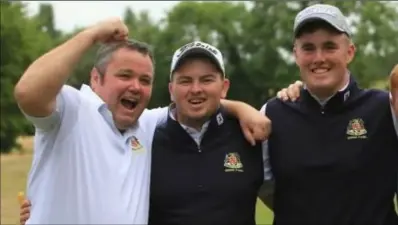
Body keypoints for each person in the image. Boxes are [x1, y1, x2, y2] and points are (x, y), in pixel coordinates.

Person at [14, 18, 270, 224]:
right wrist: (90, 35)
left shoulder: (145, 124)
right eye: (125, 75)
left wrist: (241, 108)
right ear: (95, 78)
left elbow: (195, 104)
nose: (135, 87)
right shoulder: (71, 110)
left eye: (145, 80)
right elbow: (27, 92)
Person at [260, 4, 398, 225]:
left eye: (330, 46)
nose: (319, 58)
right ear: (296, 54)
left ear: (349, 52)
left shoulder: (384, 109)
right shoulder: (273, 113)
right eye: (308, 48)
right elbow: (263, 186)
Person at [148, 41, 272, 225]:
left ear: (224, 87)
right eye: (185, 80)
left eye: (207, 80)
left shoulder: (249, 135)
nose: (196, 89)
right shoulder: (146, 140)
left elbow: (288, 201)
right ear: (171, 90)